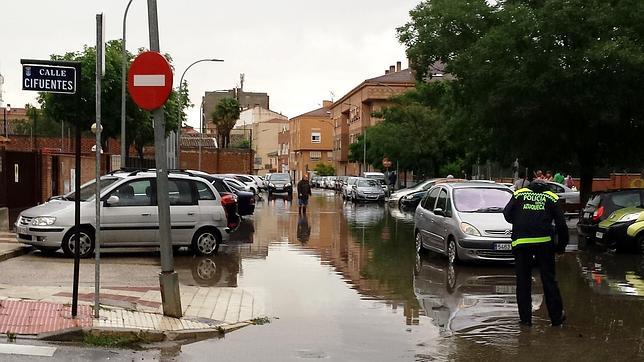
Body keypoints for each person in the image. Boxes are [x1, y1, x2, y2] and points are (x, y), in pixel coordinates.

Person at [503, 180, 569, 327]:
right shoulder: (551, 197)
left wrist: (520, 220)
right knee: (549, 280)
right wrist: (561, 246)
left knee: (523, 281)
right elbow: (561, 224)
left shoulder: (519, 194)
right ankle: (556, 318)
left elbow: (507, 214)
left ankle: (525, 319)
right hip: (544, 244)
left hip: (521, 242)